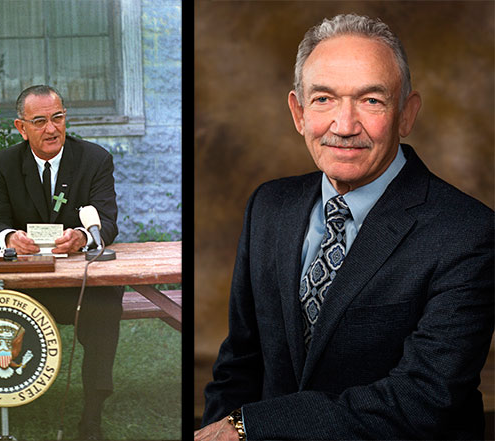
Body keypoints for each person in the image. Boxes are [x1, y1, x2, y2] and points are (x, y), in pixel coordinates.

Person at [196, 14, 494, 441]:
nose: (345, 125)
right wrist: (216, 429)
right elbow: (239, 362)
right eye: (323, 99)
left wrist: (248, 427)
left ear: (406, 114)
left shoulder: (468, 232)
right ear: (299, 113)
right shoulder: (268, 206)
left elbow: (424, 398)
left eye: (372, 100)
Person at [0, 84, 122, 440]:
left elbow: (108, 220)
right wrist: (8, 237)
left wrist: (83, 236)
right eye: (39, 121)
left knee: (107, 298)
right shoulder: (3, 164)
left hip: (77, 286)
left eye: (57, 118)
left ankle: (92, 416)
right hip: (23, 286)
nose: (51, 129)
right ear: (20, 127)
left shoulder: (94, 159)